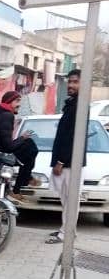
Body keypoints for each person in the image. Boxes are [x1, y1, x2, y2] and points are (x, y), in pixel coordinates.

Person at [0, 90, 41, 201]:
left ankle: (27, 178)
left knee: (27, 147)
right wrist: (22, 138)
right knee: (30, 146)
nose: (19, 104)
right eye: (17, 101)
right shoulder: (7, 116)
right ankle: (21, 184)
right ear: (9, 102)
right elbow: (9, 147)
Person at [46, 69, 84, 244]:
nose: (71, 85)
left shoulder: (80, 106)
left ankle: (66, 234)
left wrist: (61, 161)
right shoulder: (72, 104)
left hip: (70, 162)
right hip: (66, 161)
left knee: (71, 202)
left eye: (75, 82)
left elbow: (74, 136)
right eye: (70, 82)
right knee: (66, 200)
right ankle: (65, 230)